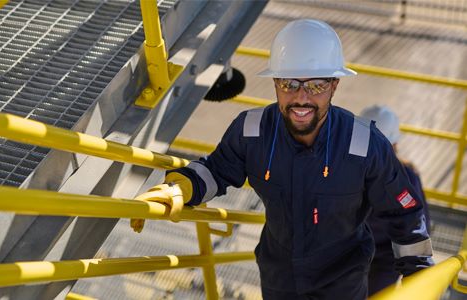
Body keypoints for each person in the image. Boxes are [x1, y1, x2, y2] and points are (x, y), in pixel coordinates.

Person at [133, 19, 434, 299]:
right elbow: (216, 170)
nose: (301, 98)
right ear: (275, 83)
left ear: (334, 86)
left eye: (316, 85)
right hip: (279, 281)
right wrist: (181, 187)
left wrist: (418, 278)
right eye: (289, 84)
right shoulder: (252, 132)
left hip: (341, 285)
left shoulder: (364, 145)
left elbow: (405, 214)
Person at [360, 105, 432, 296]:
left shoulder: (344, 169)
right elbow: (419, 222)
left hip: (359, 254)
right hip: (384, 258)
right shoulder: (406, 175)